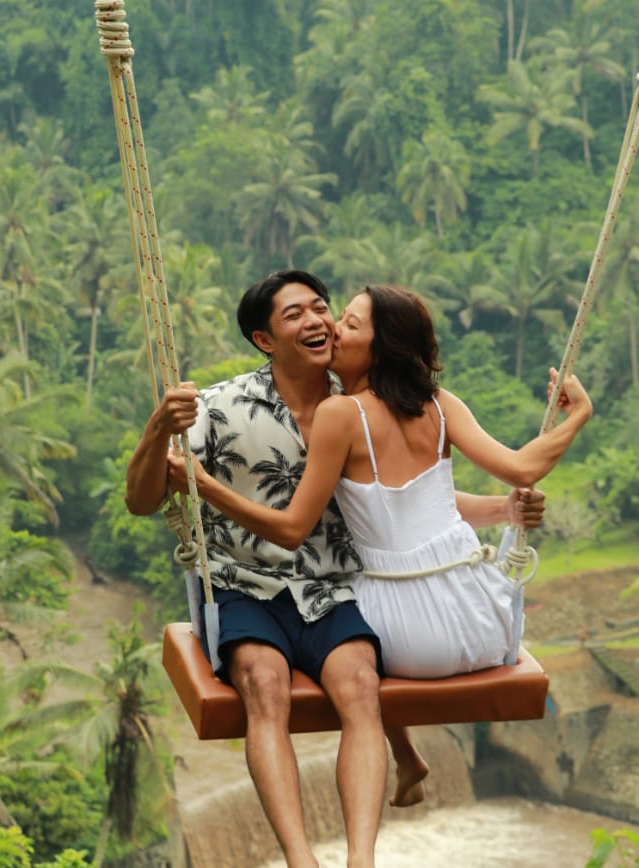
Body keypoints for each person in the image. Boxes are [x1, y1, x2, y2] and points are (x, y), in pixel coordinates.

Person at [125, 271, 547, 868]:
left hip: (332, 586)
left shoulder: (358, 401)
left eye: (323, 308)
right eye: (295, 314)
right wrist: (158, 432)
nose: (318, 320)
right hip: (246, 585)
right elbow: (142, 500)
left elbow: (409, 499)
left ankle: (362, 867)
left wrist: (505, 509)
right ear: (265, 339)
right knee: (264, 685)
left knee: (359, 683)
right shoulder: (219, 407)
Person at [170, 281, 591, 693]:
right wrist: (577, 418)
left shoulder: (338, 413)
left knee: (336, 645)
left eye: (349, 325)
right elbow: (516, 470)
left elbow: (294, 528)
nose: (333, 329)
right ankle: (399, 740)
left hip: (401, 634)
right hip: (484, 619)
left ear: (381, 347)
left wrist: (203, 485)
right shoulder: (440, 404)